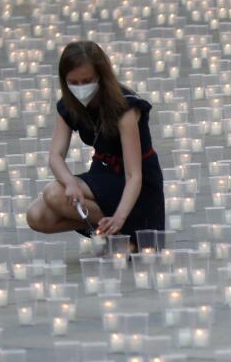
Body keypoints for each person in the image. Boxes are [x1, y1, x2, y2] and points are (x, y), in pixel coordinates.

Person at [26, 40, 165, 250]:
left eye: (87, 81)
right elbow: (55, 155)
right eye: (73, 82)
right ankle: (117, 234)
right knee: (36, 215)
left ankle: (125, 232)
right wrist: (70, 183)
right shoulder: (69, 105)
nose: (80, 88)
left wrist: (119, 217)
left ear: (101, 76)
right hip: (103, 173)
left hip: (138, 181)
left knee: (54, 193)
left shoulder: (125, 108)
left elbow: (134, 176)